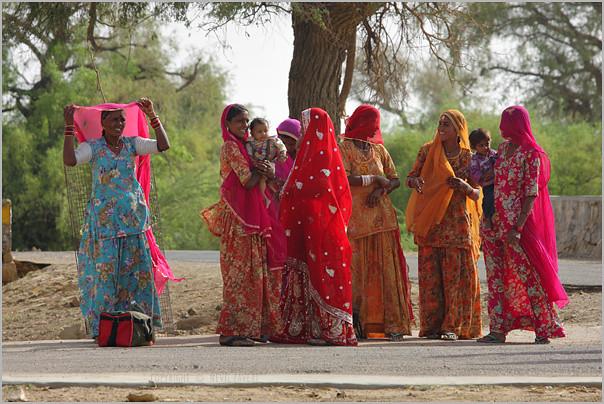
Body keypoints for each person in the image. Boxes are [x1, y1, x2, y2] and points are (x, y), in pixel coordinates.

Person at [63, 97, 169, 339]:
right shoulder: (94, 147)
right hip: (105, 227)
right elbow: (70, 160)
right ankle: (106, 329)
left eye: (122, 119)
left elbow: (163, 145)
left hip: (133, 222)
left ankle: (141, 326)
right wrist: (69, 128)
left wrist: (153, 116)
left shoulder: (132, 144)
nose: (119, 123)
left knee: (138, 274)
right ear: (102, 122)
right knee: (105, 275)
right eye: (114, 119)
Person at [478, 105, 567, 344]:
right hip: (492, 221)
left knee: (529, 275)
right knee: (495, 276)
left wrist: (517, 227)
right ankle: (497, 329)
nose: (502, 126)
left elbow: (531, 192)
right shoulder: (503, 149)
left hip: (515, 226)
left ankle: (543, 327)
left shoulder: (531, 153)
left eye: (507, 121)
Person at [200, 104, 286, 347]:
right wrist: (265, 169)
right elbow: (247, 180)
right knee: (239, 275)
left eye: (246, 122)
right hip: (238, 219)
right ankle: (230, 331)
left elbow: (262, 171)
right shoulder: (230, 147)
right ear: (227, 124)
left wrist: (267, 168)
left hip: (253, 217)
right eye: (239, 121)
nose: (244, 126)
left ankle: (254, 329)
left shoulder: (247, 146)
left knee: (256, 274)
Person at [273, 107, 357, 346]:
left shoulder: (324, 158)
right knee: (307, 273)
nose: (303, 130)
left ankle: (330, 329)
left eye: (306, 124)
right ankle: (309, 328)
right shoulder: (304, 157)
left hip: (322, 229)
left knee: (322, 273)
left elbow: (323, 192)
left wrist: (295, 190)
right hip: (304, 229)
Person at [405, 109, 483, 341]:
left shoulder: (469, 158)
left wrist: (465, 187)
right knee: (431, 278)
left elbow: (479, 192)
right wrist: (416, 182)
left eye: (446, 124)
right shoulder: (427, 152)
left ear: (458, 129)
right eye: (440, 123)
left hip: (457, 225)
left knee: (456, 279)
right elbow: (410, 178)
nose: (441, 127)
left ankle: (454, 327)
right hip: (431, 225)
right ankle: (431, 327)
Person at [339, 104, 413, 341]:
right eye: (370, 122)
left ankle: (390, 325)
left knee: (385, 273)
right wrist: (374, 179)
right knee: (359, 273)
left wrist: (380, 191)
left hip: (382, 220)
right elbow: (344, 178)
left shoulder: (378, 150)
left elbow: (394, 180)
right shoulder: (345, 148)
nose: (373, 128)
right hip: (357, 222)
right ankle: (360, 324)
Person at [245, 117, 288, 206]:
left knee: (269, 176)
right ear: (252, 133)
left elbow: (281, 146)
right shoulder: (250, 142)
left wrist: (282, 153)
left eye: (266, 131)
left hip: (270, 162)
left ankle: (270, 196)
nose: (263, 134)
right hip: (257, 164)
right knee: (261, 179)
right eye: (259, 132)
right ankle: (263, 196)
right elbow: (248, 153)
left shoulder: (272, 140)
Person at [469, 128, 498, 227]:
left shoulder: (494, 154)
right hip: (488, 185)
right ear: (474, 147)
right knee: (488, 199)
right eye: (481, 145)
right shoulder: (475, 159)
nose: (485, 147)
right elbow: (474, 173)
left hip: (499, 182)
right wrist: (484, 176)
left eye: (487, 143)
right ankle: (488, 217)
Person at [274, 117, 302, 192]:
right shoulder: (273, 154)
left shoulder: (301, 158)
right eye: (283, 143)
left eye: (291, 144)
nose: (286, 147)